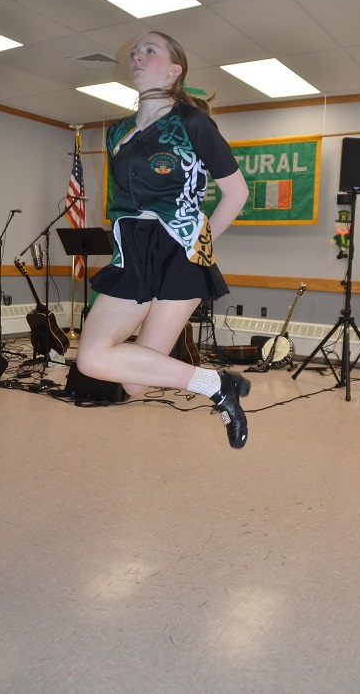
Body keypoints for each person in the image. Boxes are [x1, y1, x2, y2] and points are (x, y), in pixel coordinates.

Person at [76, 31, 251, 448]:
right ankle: (217, 384)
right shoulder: (116, 131)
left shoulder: (193, 122)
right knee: (95, 360)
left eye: (149, 51)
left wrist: (200, 246)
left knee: (135, 384)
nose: (137, 56)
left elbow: (236, 193)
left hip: (180, 250)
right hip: (130, 253)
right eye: (134, 52)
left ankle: (216, 385)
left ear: (175, 71)